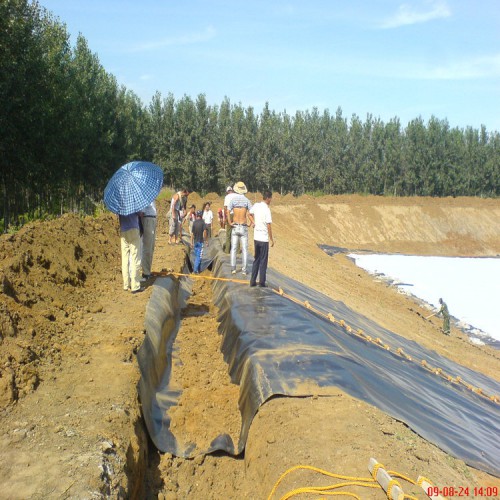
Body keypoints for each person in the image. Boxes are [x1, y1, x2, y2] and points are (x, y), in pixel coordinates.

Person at [228, 181, 254, 276]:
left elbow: (227, 210)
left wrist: (229, 222)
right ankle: (244, 270)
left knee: (234, 248)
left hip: (235, 226)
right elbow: (251, 212)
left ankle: (233, 268)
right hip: (243, 226)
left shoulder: (233, 200)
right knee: (245, 249)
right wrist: (251, 222)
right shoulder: (246, 200)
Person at [249, 191, 274, 287]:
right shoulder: (267, 209)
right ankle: (262, 282)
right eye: (271, 198)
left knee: (256, 259)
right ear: (268, 198)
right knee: (263, 261)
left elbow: (249, 214)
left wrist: (253, 222)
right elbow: (268, 225)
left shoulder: (256, 205)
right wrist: (271, 238)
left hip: (256, 238)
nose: (271, 200)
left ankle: (252, 281)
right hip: (263, 239)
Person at [119, 212, 143, 293]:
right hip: (133, 230)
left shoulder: (120, 205)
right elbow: (140, 214)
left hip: (123, 231)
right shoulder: (133, 203)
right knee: (135, 258)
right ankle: (135, 285)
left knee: (125, 259)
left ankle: (126, 284)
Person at [140, 201, 157, 280]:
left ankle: (148, 270)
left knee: (151, 247)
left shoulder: (150, 195)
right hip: (147, 219)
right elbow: (142, 212)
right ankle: (145, 273)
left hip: (152, 219)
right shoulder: (143, 196)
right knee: (147, 247)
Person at [223, 185, 236, 253]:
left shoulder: (227, 197)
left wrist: (225, 217)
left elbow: (225, 208)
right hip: (237, 214)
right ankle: (237, 250)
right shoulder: (236, 195)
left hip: (230, 214)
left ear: (227, 192)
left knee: (228, 233)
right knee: (236, 232)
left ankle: (227, 250)